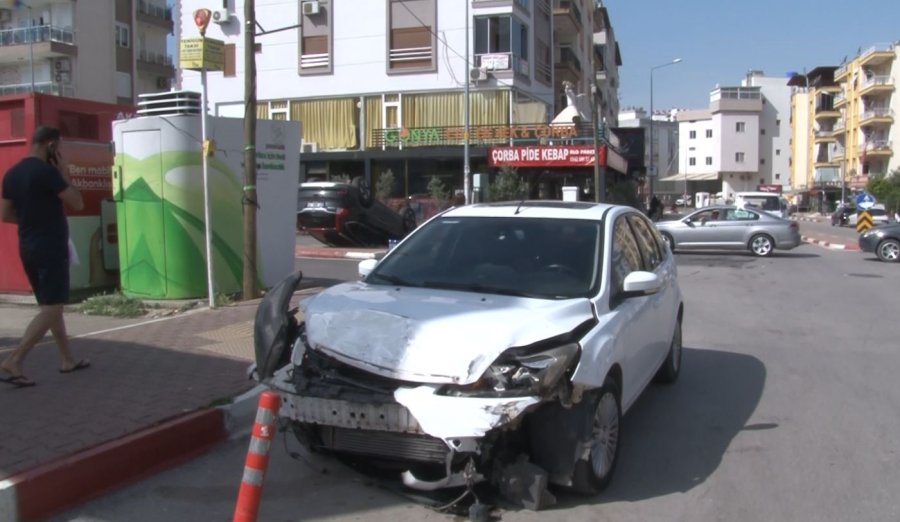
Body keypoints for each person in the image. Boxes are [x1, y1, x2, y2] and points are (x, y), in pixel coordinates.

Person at [1, 126, 90, 388]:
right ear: (51, 145)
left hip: (27, 245)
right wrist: (65, 173)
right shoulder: (47, 173)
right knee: (53, 306)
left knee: (50, 306)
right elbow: (77, 202)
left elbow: (5, 214)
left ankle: (67, 359)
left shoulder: (12, 174)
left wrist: (32, 221)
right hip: (50, 246)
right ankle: (15, 360)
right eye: (58, 147)